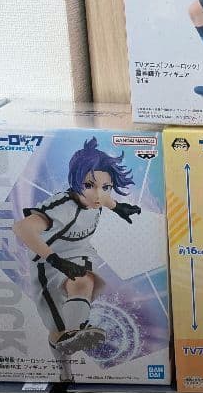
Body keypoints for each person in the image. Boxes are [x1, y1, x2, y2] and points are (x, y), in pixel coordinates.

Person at [13, 138, 140, 355]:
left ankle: (76, 331)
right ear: (76, 182)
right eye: (89, 185)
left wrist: (118, 207)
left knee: (83, 281)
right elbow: (21, 228)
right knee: (57, 330)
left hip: (80, 252)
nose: (98, 194)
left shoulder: (96, 199)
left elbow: (102, 196)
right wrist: (55, 260)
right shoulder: (62, 208)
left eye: (106, 187)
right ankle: (65, 356)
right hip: (48, 262)